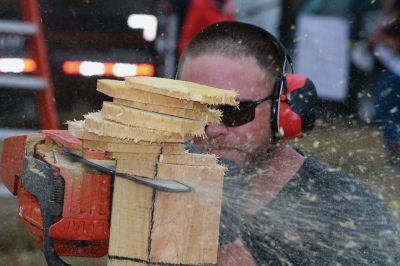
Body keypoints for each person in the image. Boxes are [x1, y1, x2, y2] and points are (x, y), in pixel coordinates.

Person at [177, 21, 400, 265]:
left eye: (234, 111)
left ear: (283, 108)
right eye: (195, 110)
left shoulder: (350, 212)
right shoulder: (162, 181)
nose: (212, 129)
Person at [369, 0, 400, 167]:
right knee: (388, 114)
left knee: (388, 114)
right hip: (385, 72)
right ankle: (393, 154)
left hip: (393, 73)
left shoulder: (394, 20)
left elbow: (396, 45)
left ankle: (395, 155)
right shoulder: (388, 17)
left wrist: (380, 34)